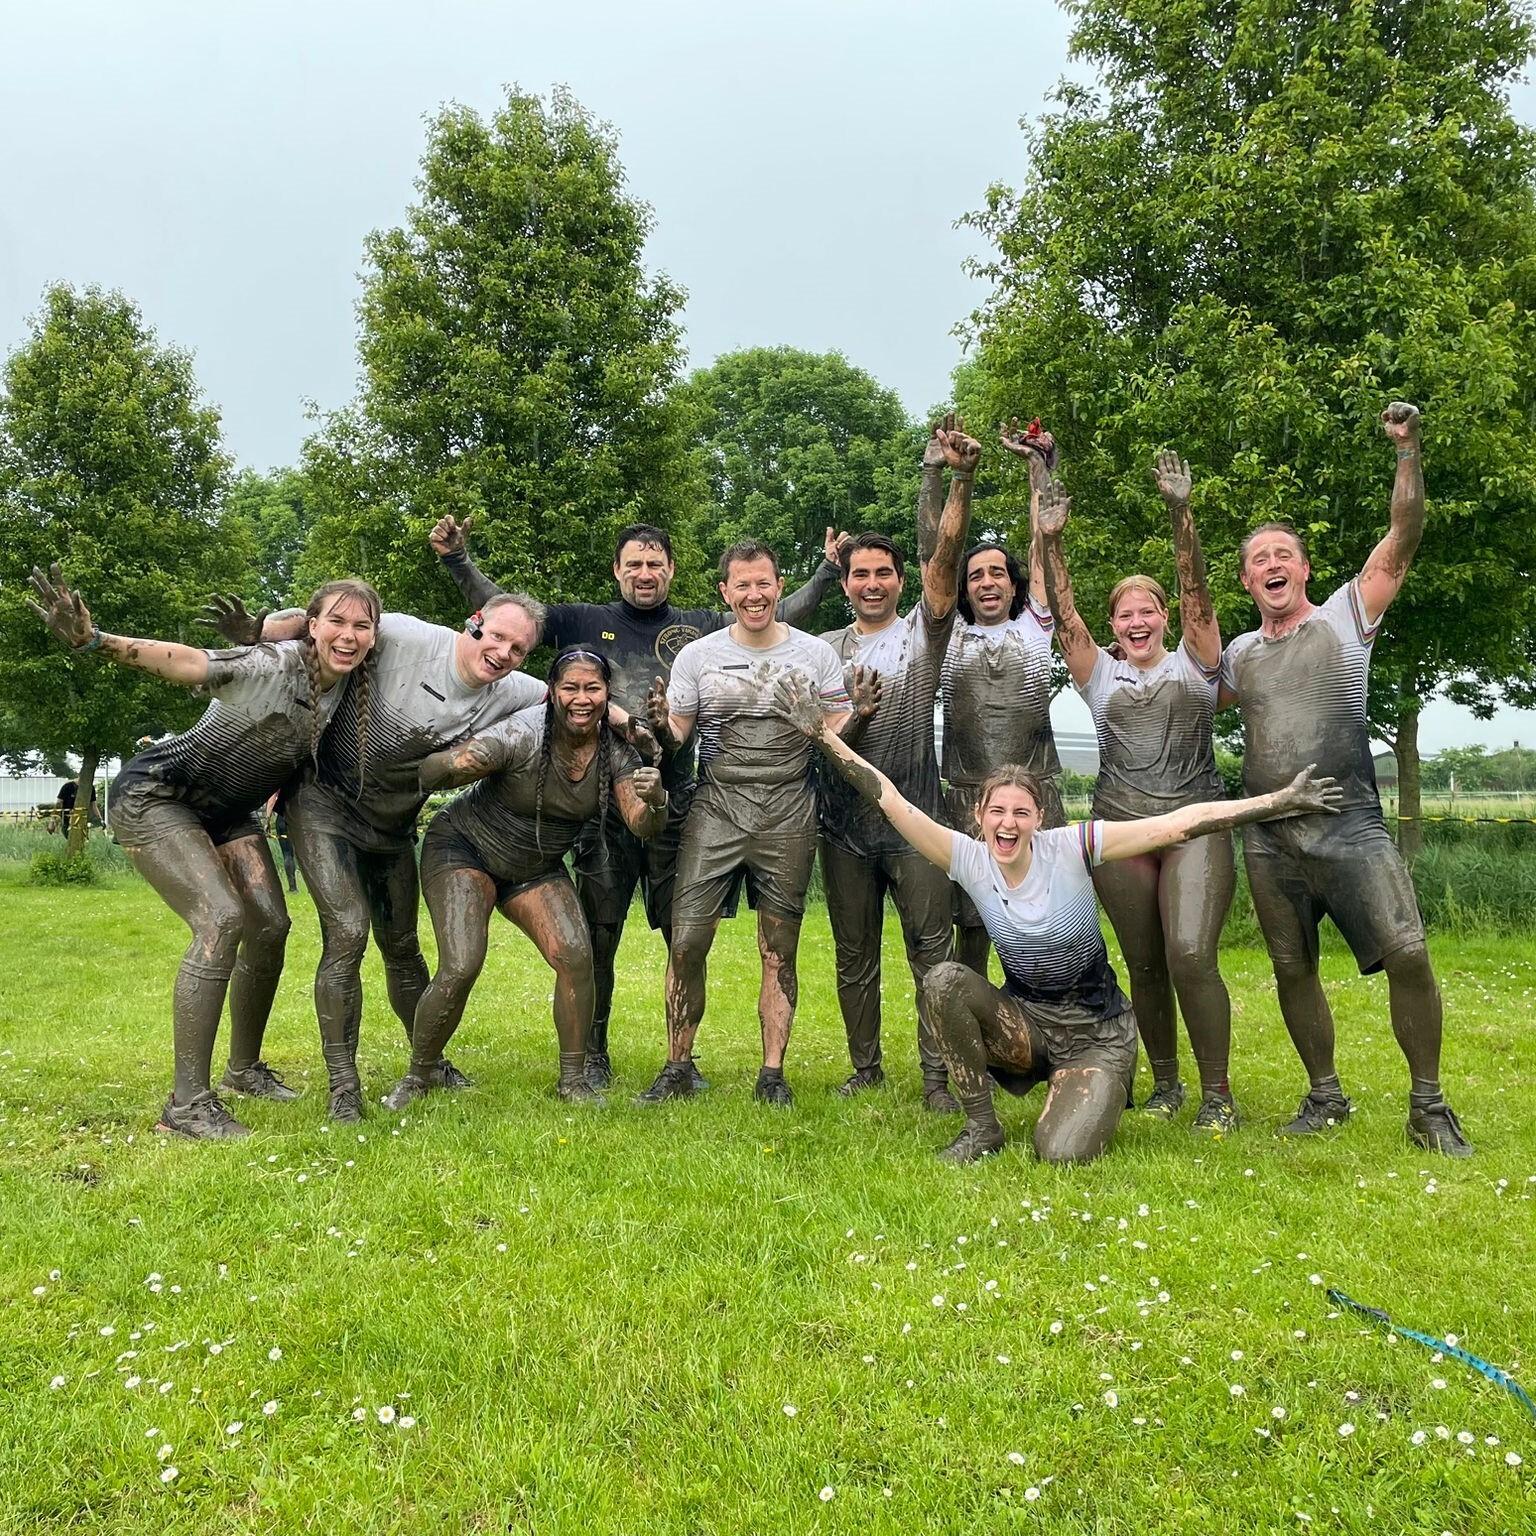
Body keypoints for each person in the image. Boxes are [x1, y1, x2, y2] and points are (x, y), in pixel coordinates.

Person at [774, 668, 1343, 1164]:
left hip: (1097, 1034)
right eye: (997, 810)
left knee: (1060, 1151)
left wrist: (1275, 802)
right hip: (1030, 1025)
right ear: (979, 815)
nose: (1007, 822)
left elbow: (1180, 824)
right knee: (944, 978)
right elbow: (888, 798)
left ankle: (1095, 1086)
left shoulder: (1073, 846)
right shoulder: (967, 858)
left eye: (1020, 812)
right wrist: (823, 734)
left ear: (1038, 816)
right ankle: (982, 1126)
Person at [428, 517, 846, 1089]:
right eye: (634, 565)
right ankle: (593, 1051)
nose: (644, 574)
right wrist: (458, 561)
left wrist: (825, 571)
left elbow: (778, 613)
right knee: (599, 933)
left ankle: (682, 1059)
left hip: (675, 804)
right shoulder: (585, 620)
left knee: (685, 933)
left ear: (671, 570)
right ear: (617, 571)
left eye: (655, 564)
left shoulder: (700, 630)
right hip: (599, 809)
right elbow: (508, 616)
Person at [27, 565, 379, 1139]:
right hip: (159, 795)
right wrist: (97, 641)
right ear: (312, 627)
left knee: (270, 924)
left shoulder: (348, 684)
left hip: (226, 812)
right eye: (336, 621)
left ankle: (244, 1070)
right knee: (222, 918)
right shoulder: (270, 664)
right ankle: (187, 1105)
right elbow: (189, 661)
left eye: (362, 625)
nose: (349, 635)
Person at [1220, 402, 1471, 1155]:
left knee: (1410, 952)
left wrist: (1408, 453)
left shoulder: (1345, 616)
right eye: (1257, 559)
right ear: (1246, 579)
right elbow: (1187, 682)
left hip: (1352, 824)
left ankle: (1428, 1105)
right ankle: (1325, 1095)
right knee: (1291, 967)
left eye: (1282, 556)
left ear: (1303, 569)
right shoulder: (1236, 654)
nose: (1271, 566)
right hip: (1271, 838)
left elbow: (1403, 538)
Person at [214, 593, 549, 1121]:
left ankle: (429, 1062)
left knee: (401, 945)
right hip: (325, 805)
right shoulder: (407, 634)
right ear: (475, 622)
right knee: (347, 930)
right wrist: (258, 631)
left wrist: (631, 723)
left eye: (519, 648)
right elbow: (325, 624)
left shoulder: (517, 691)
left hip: (393, 825)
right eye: (498, 636)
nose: (504, 652)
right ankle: (343, 1086)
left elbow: (580, 695)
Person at [1037, 458, 1239, 1131]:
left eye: (1146, 610)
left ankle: (1218, 1094)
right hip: (1118, 833)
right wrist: (1051, 538)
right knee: (1146, 964)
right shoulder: (1097, 676)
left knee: (1189, 954)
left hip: (1193, 826)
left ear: (1163, 616)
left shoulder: (1197, 660)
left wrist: (1182, 513)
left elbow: (1197, 591)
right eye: (1123, 614)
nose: (1136, 620)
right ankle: (1167, 1084)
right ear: (1115, 626)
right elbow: (1063, 613)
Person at [384, 649, 668, 1110]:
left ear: (607, 694)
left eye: (592, 688)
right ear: (553, 692)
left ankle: (573, 1081)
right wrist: (454, 762)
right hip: (464, 848)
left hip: (535, 866)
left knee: (576, 956)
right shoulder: (520, 733)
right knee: (462, 963)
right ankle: (420, 1075)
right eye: (570, 688)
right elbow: (436, 771)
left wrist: (656, 800)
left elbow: (641, 823)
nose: (581, 699)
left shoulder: (616, 751)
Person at [637, 539, 866, 1107]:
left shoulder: (815, 655)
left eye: (762, 583)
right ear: (725, 592)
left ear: (779, 586)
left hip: (789, 807)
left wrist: (853, 715)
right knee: (687, 941)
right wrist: (658, 728)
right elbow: (678, 737)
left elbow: (836, 735)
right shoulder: (698, 656)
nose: (754, 594)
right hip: (716, 806)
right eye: (742, 585)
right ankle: (677, 1067)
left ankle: (772, 1075)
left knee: (778, 948)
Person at [816, 416, 978, 1110]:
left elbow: (944, 555)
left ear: (900, 580)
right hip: (844, 825)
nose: (872, 583)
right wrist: (854, 716)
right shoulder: (821, 648)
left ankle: (937, 1079)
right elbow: (817, 738)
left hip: (916, 819)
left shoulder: (922, 634)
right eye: (860, 574)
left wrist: (943, 473)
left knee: (930, 953)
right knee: (854, 956)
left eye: (884, 573)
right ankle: (865, 1068)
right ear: (845, 583)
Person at [931, 419, 1066, 971]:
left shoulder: (1035, 625)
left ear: (1013, 584)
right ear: (964, 589)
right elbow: (938, 550)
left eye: (997, 574)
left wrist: (1039, 467)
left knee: (1047, 924)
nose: (987, 582)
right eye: (975, 576)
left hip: (1036, 798)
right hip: (967, 797)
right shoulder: (949, 635)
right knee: (972, 933)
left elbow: (1044, 546)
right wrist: (941, 473)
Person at [264, 794, 299, 893]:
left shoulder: (279, 781)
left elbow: (271, 800)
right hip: (298, 818)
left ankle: (293, 888)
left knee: (287, 854)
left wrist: (267, 820)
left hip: (282, 819)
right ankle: (311, 888)